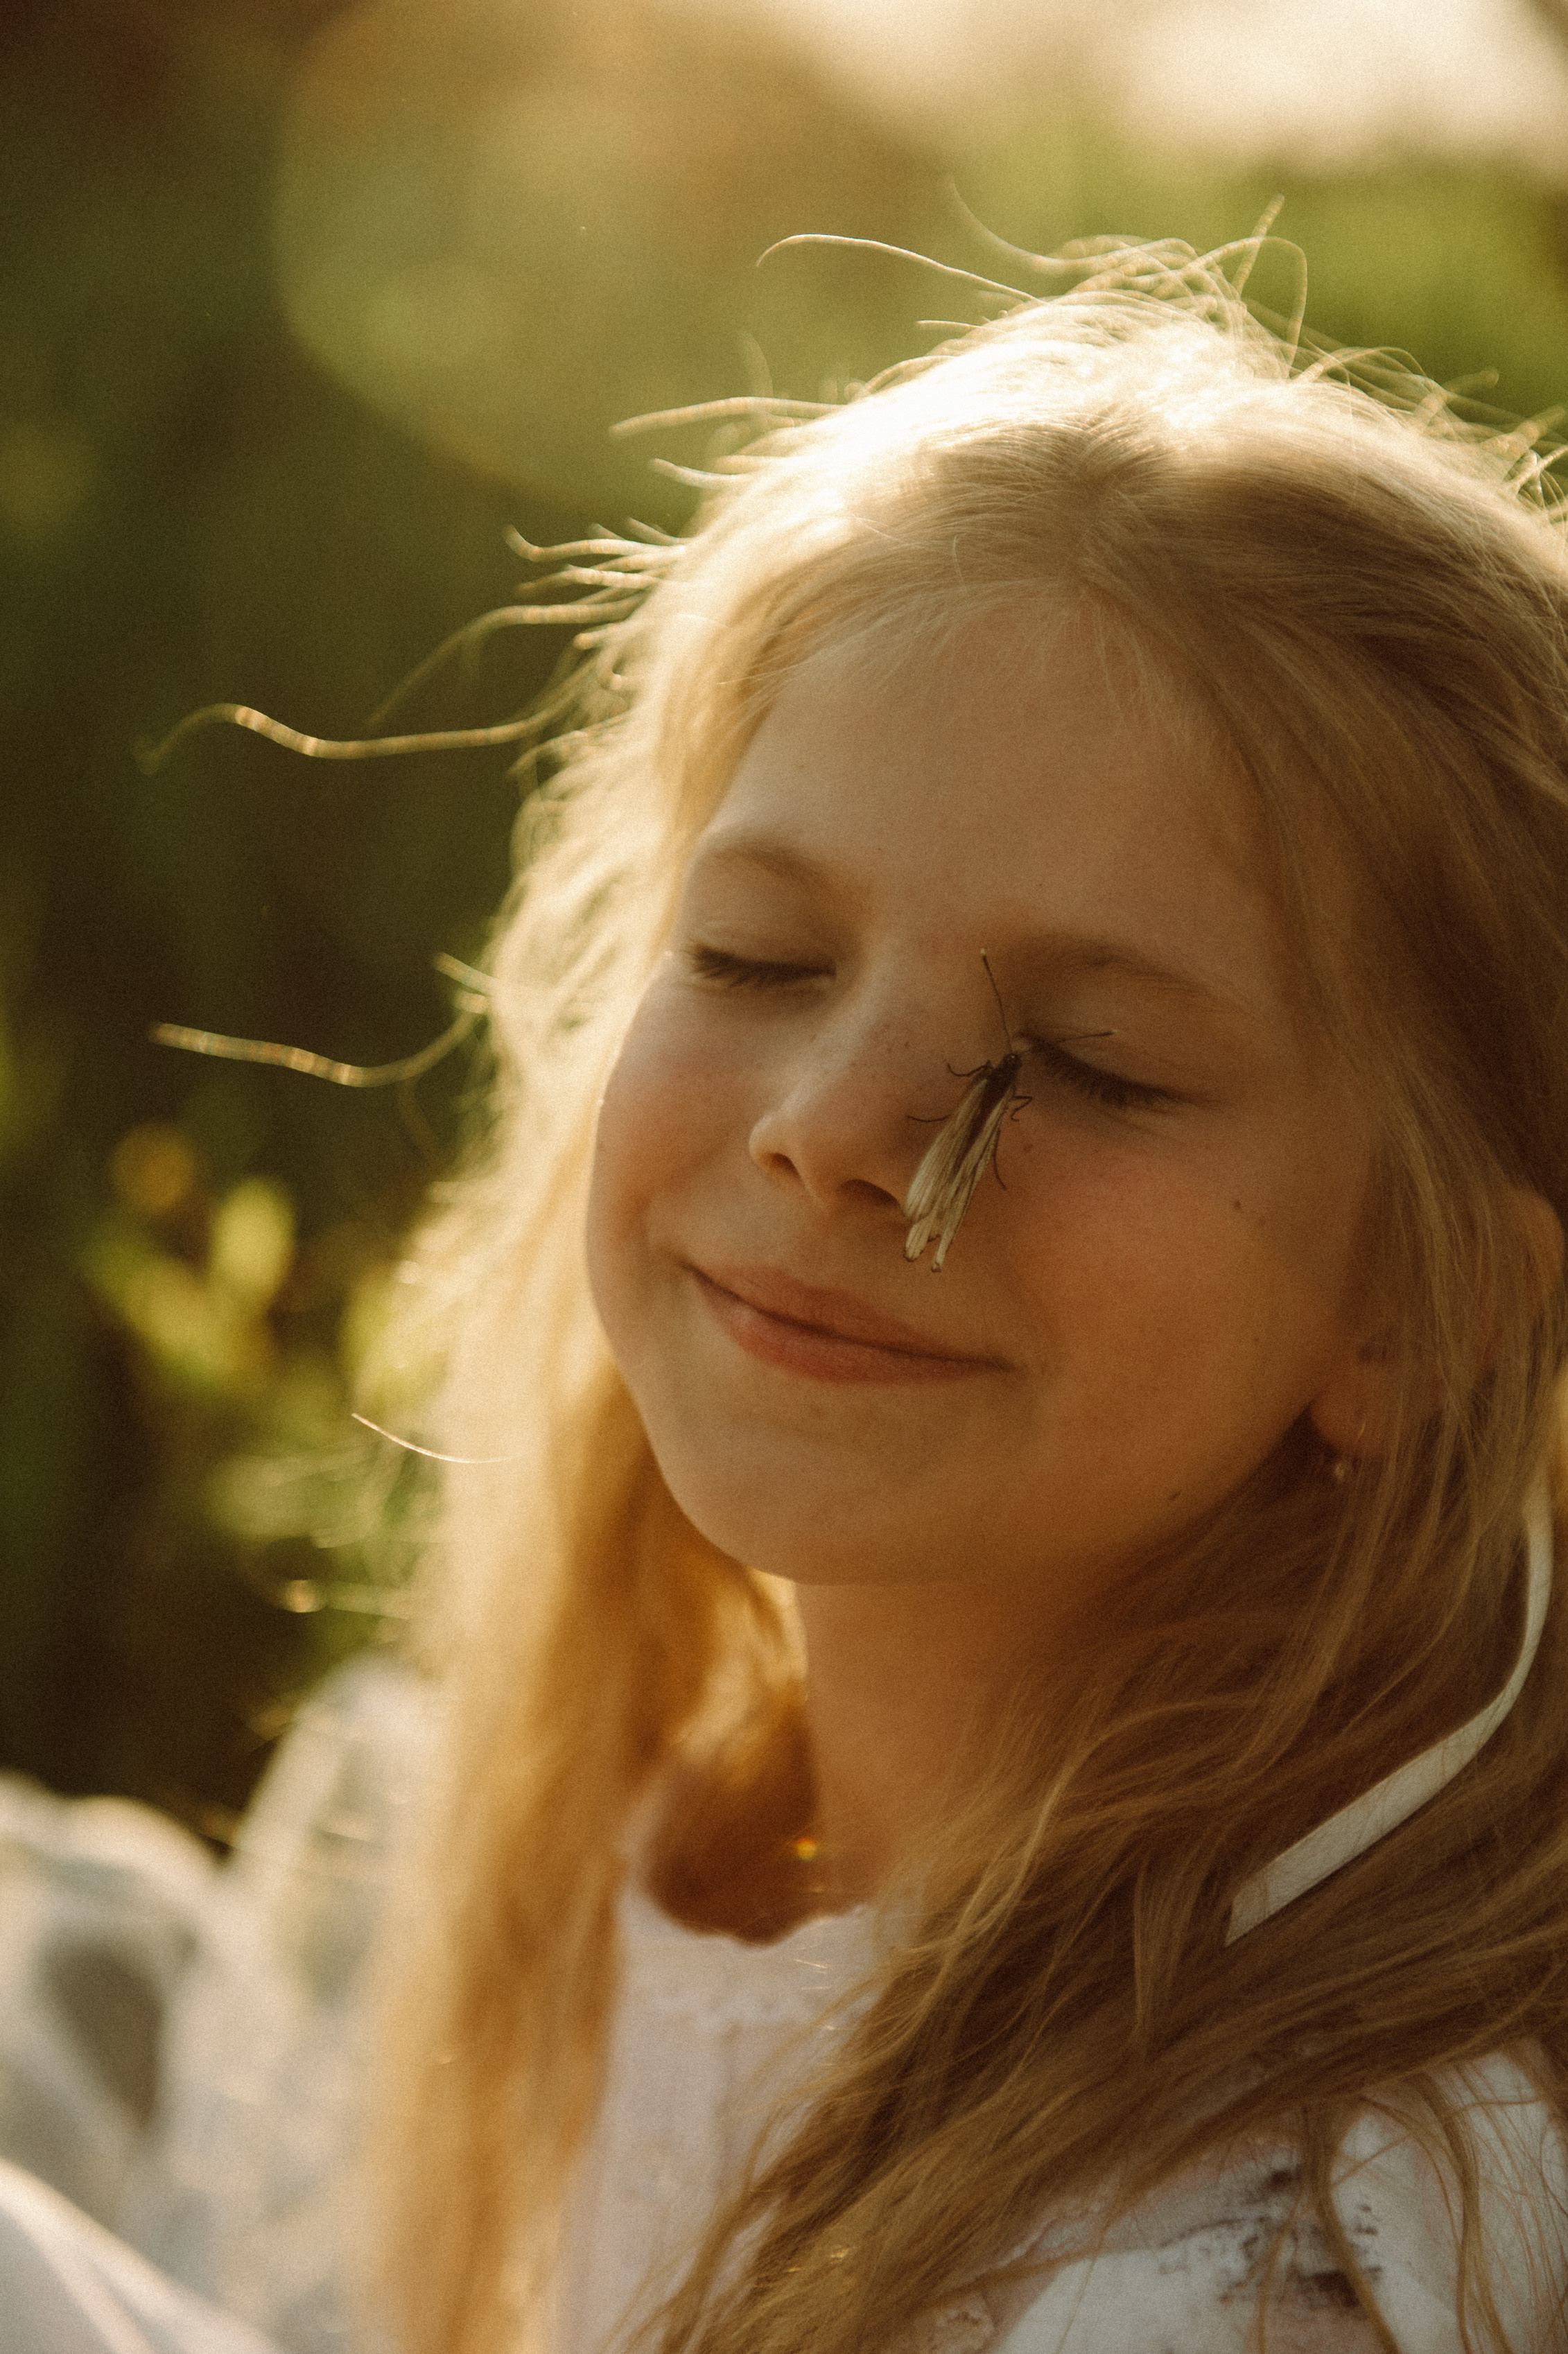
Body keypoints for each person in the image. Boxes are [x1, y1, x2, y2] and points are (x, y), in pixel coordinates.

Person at [5, 234, 1568, 2354]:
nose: (840, 1130)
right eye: (755, 956)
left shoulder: (1293, 2256)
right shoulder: (501, 1866)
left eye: (1094, 1064)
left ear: (1426, 1305)